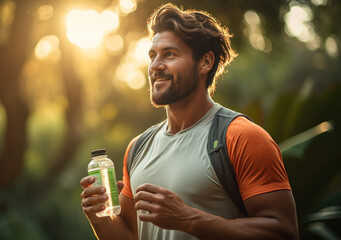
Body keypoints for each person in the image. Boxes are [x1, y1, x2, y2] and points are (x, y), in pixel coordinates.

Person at [80, 3, 298, 240]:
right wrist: (99, 218)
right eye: (152, 55)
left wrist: (188, 218)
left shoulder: (242, 137)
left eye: (169, 54)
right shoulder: (138, 148)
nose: (155, 66)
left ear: (205, 62)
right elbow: (131, 236)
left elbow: (284, 232)